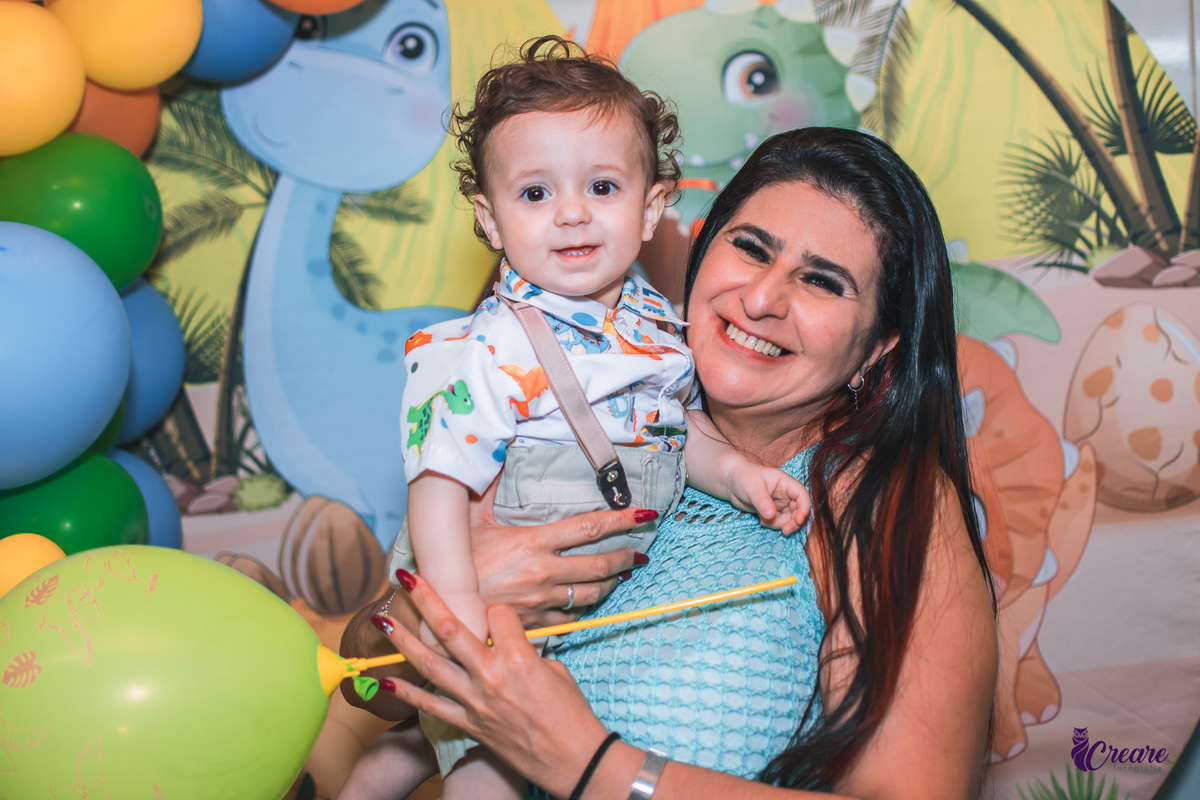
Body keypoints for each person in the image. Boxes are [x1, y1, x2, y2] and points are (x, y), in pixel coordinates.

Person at [364, 125, 1000, 800]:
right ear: (699, 250)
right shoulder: (540, 411)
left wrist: (589, 765)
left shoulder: (874, 499)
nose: (761, 299)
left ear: (878, 350)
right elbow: (370, 693)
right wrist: (434, 608)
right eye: (751, 249)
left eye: (821, 281)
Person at [379, 36, 811, 800]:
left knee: (416, 742)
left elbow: (673, 436)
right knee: (486, 769)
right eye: (537, 194)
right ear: (489, 218)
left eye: (603, 188)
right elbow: (439, 486)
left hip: (590, 596)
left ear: (651, 208)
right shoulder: (492, 343)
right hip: (484, 581)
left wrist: (741, 474)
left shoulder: (656, 325)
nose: (573, 214)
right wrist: (465, 627)